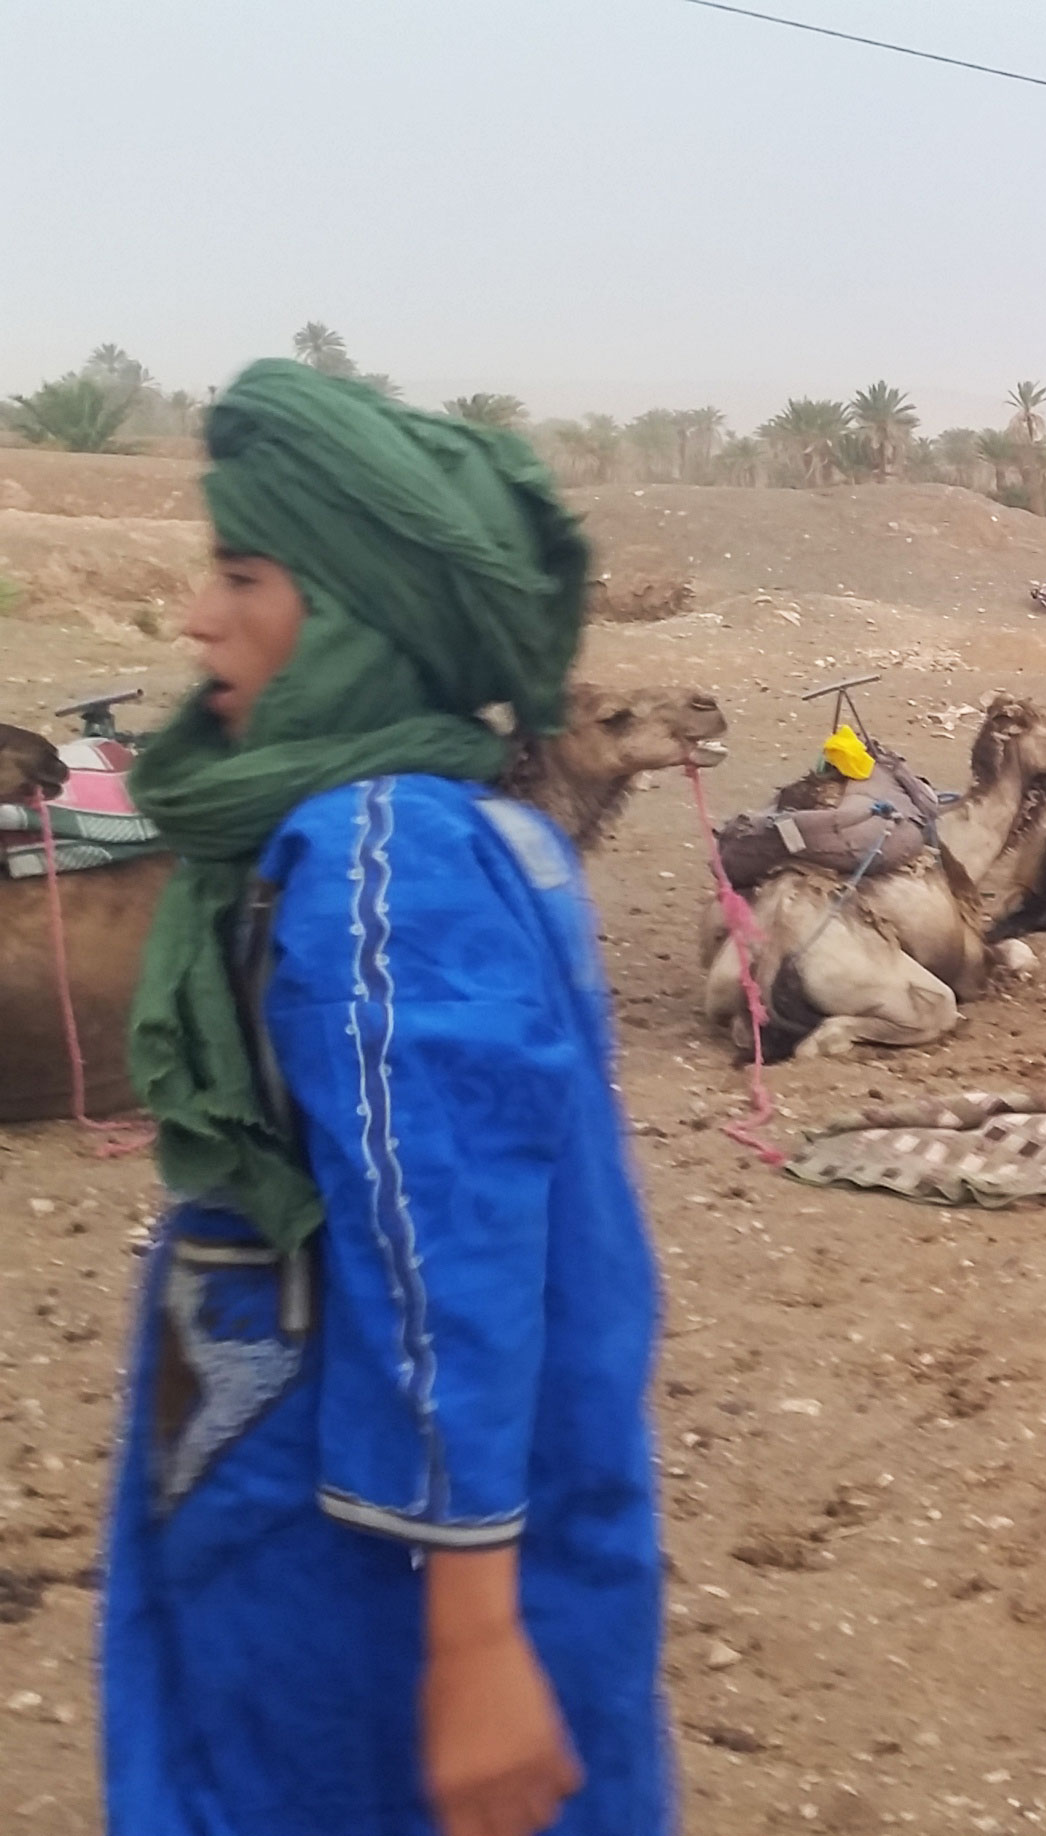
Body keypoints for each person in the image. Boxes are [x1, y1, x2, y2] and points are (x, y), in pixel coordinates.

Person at [102, 361, 667, 1835]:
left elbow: (444, 1239)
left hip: (349, 1569)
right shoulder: (473, 822)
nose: (194, 618)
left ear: (353, 606)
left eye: (241, 575)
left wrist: (473, 1641)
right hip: (373, 1517)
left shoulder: (376, 853)